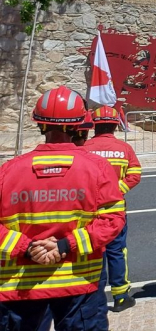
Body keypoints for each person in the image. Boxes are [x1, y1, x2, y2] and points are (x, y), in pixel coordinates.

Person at [0, 86, 125, 330]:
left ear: (39, 124)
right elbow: (112, 220)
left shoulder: (8, 171)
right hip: (79, 282)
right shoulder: (97, 168)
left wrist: (27, 249)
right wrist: (64, 246)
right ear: (79, 125)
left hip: (21, 286)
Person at [82, 106, 142, 312]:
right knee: (117, 252)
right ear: (116, 125)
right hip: (115, 211)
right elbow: (135, 174)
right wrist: (115, 191)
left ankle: (92, 297)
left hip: (88, 211)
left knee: (91, 251)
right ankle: (121, 296)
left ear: (93, 125)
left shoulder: (83, 147)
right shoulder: (124, 148)